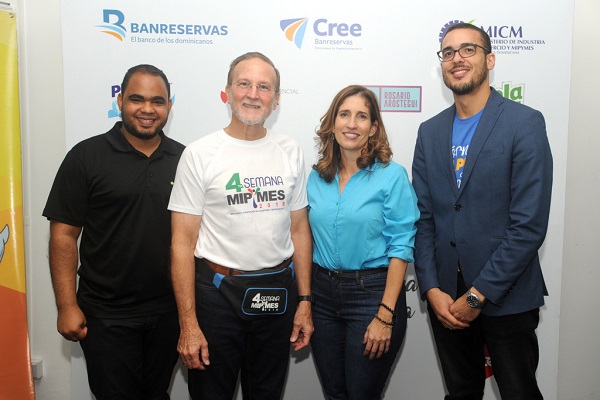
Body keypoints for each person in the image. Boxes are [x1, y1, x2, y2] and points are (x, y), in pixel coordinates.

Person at [412, 22, 553, 399]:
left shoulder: (524, 123)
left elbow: (529, 226)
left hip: (506, 296)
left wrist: (478, 296)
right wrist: (431, 288)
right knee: (460, 393)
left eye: (467, 49)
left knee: (519, 392)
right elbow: (423, 219)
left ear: (489, 59)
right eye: (447, 52)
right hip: (446, 298)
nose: (456, 58)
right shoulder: (429, 132)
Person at [168, 51, 313, 400]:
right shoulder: (200, 154)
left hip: (277, 294)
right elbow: (181, 244)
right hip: (216, 297)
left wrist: (305, 301)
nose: (253, 94)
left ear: (276, 100)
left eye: (264, 87)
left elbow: (299, 231)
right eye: (244, 84)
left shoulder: (291, 150)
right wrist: (188, 324)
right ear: (227, 92)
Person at [43, 64, 184, 400]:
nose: (147, 109)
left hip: (169, 311)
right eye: (137, 99)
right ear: (120, 100)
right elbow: (63, 235)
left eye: (157, 101)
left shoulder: (185, 159)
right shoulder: (85, 156)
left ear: (169, 106)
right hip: (106, 314)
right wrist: (66, 305)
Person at [308, 85, 419, 400]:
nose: (351, 124)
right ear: (332, 123)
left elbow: (401, 247)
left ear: (373, 128)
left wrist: (385, 314)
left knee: (362, 394)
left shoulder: (391, 176)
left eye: (361, 117)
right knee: (334, 393)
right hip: (323, 297)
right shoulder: (316, 177)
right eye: (344, 114)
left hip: (372, 296)